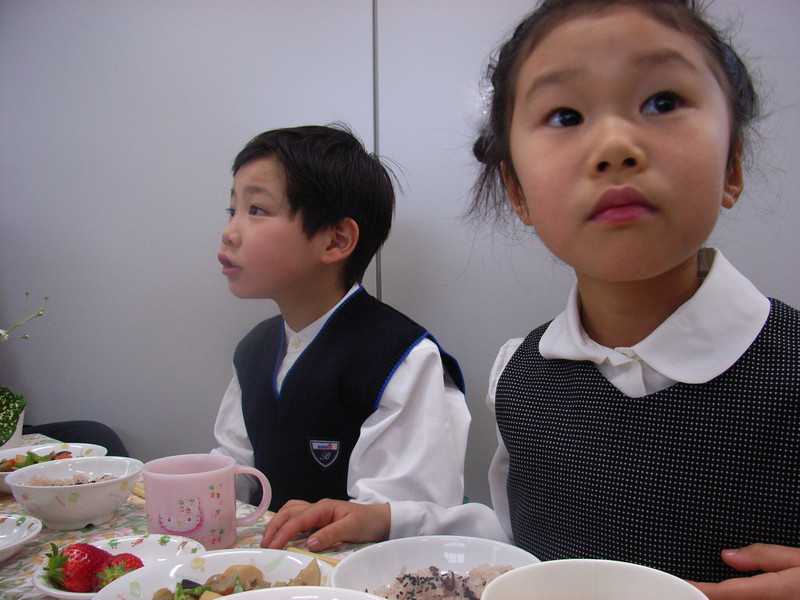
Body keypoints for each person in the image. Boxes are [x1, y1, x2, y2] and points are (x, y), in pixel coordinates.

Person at [259, 2, 800, 598]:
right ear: (517, 190)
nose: (615, 145)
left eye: (663, 102)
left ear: (732, 163)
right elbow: (525, 543)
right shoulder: (522, 375)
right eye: (566, 115)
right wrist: (390, 520)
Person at [211, 124, 470, 514]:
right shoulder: (254, 350)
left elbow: (406, 514)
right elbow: (234, 471)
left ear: (335, 241)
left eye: (257, 210)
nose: (230, 233)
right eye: (233, 211)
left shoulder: (400, 359)